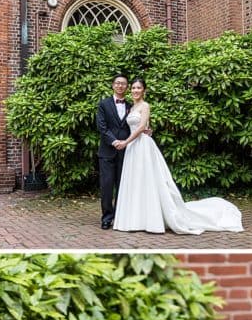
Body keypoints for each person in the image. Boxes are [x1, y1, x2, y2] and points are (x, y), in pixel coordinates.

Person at [112, 78, 243, 234]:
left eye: (138, 88)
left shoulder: (145, 105)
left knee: (148, 180)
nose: (135, 90)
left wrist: (126, 142)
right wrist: (146, 131)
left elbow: (141, 127)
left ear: (144, 90)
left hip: (142, 146)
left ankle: (152, 219)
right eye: (133, 87)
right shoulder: (132, 107)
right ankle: (136, 218)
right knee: (136, 181)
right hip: (134, 147)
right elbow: (144, 126)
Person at [96, 73, 132, 229]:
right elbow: (102, 127)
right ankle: (107, 217)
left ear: (127, 87)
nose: (120, 86)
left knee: (123, 185)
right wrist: (114, 141)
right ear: (113, 85)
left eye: (123, 83)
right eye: (117, 83)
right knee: (107, 185)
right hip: (107, 151)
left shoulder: (132, 106)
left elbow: (135, 127)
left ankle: (120, 216)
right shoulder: (103, 104)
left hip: (127, 151)